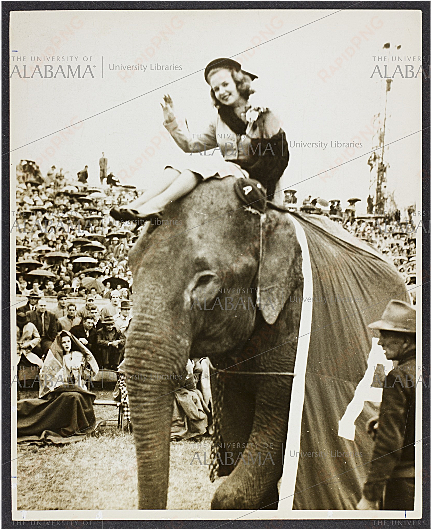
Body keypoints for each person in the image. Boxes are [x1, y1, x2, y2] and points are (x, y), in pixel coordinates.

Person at [110, 58, 289, 221]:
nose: (222, 92)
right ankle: (135, 206)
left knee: (208, 163)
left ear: (239, 83)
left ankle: (157, 205)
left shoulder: (264, 112)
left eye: (226, 84)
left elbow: (279, 157)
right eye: (216, 89)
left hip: (257, 180)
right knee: (178, 164)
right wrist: (172, 121)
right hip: (230, 173)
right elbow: (191, 145)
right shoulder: (219, 121)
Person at [357, 300, 416, 511]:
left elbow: (389, 443)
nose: (380, 342)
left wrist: (369, 496)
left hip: (405, 488)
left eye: (386, 335)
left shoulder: (398, 377)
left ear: (407, 341)